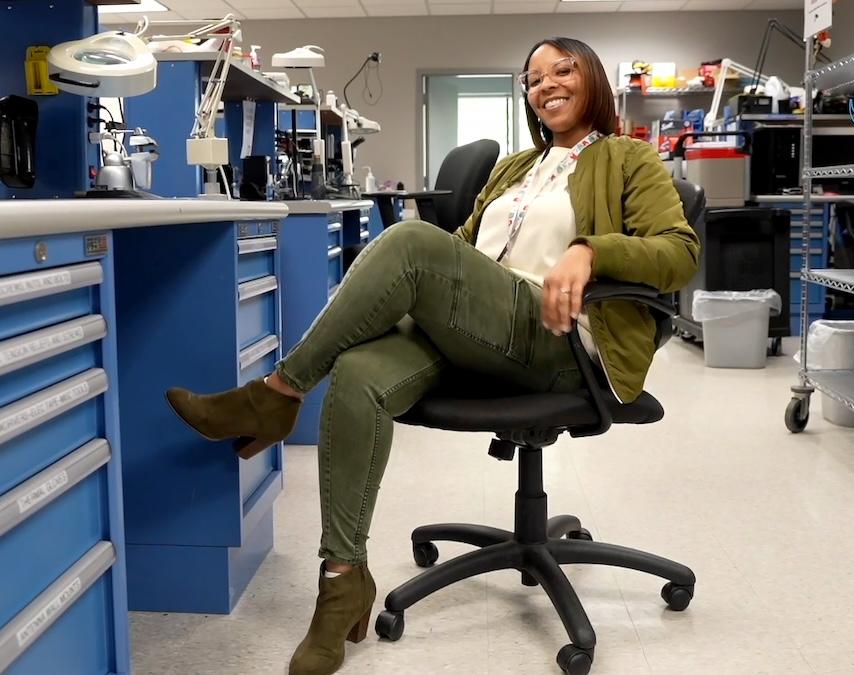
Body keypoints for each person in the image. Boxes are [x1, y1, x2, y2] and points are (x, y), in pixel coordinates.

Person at [165, 36, 701, 675]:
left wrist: (590, 250)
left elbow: (679, 251)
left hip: (560, 343)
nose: (547, 84)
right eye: (533, 79)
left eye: (564, 70)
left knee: (412, 241)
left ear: (592, 80)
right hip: (480, 333)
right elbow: (467, 256)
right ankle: (342, 583)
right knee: (361, 372)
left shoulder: (627, 158)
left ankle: (278, 394)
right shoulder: (513, 169)